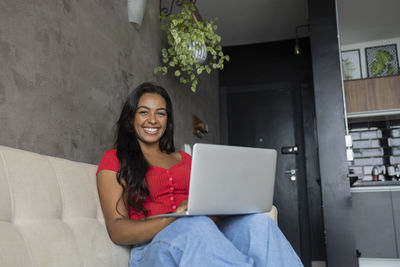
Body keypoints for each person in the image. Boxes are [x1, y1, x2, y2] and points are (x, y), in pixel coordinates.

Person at [96, 82, 303, 267]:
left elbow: (210, 208)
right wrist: (175, 220)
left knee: (259, 223)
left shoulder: (187, 160)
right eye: (144, 112)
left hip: (206, 235)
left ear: (167, 120)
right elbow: (117, 229)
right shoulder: (115, 158)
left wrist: (221, 208)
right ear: (131, 117)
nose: (153, 120)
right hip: (152, 248)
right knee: (196, 225)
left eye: (160, 113)